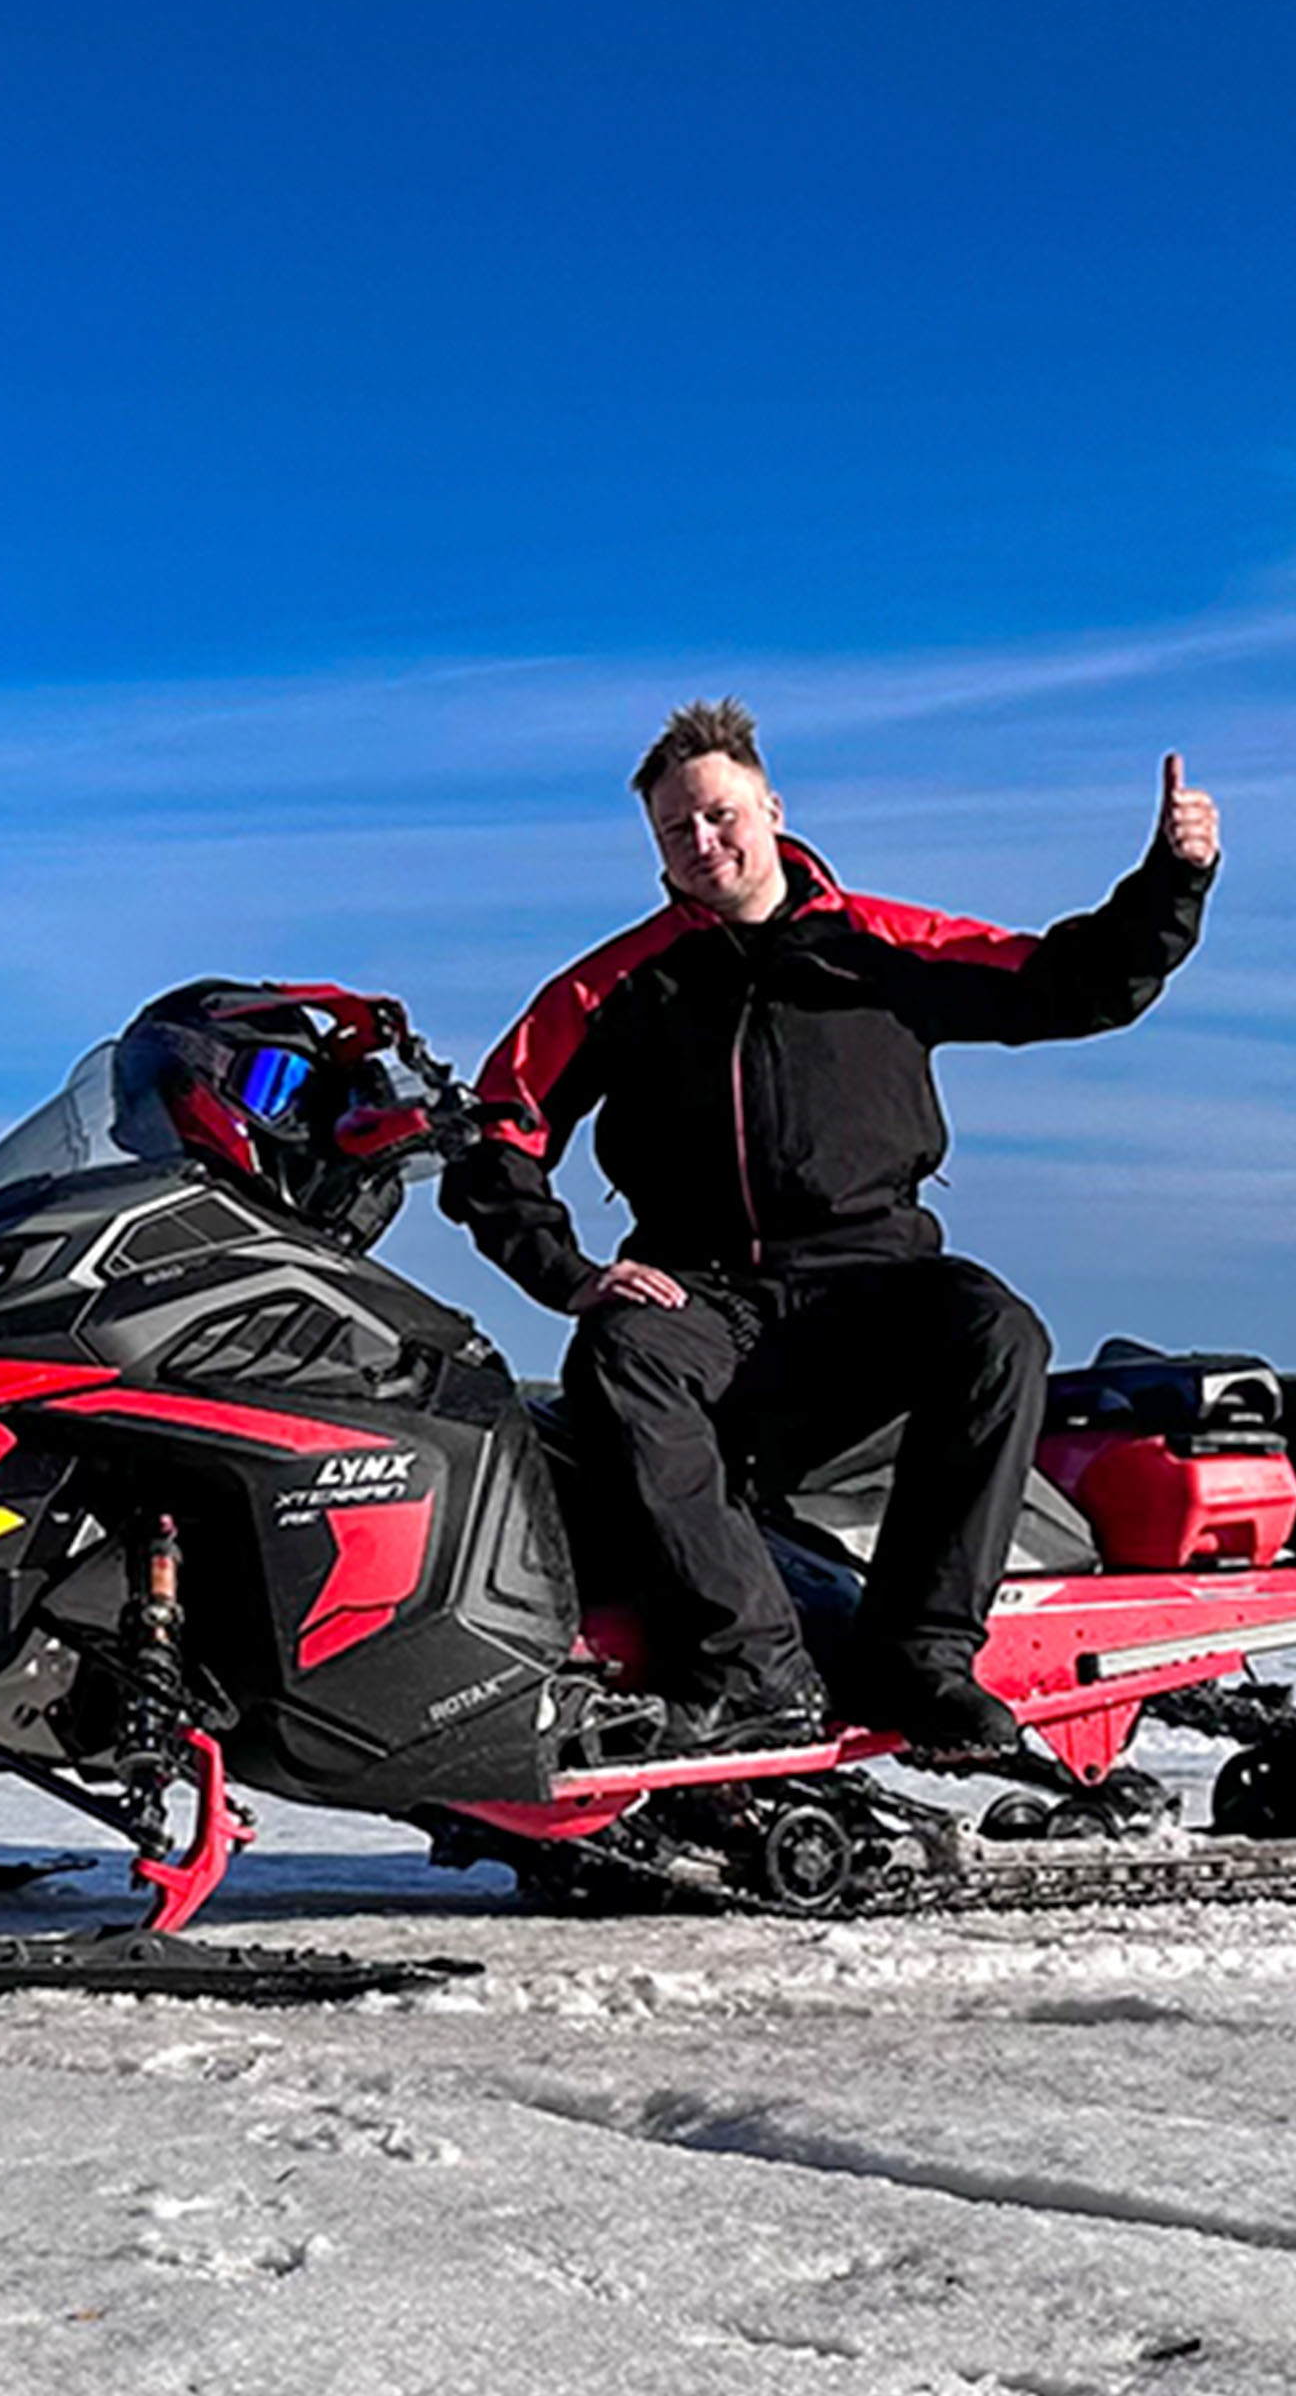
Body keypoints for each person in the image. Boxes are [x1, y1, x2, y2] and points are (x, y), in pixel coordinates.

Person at [442, 697, 1219, 1763]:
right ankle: (754, 1671)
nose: (703, 842)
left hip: (870, 1279)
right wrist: (569, 1273)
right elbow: (500, 1130)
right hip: (701, 1291)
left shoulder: (884, 947)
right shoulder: (613, 985)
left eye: (719, 814)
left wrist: (1170, 881)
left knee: (997, 1328)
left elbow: (1068, 984)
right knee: (620, 1355)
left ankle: (922, 1655)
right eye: (677, 829)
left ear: (768, 805)